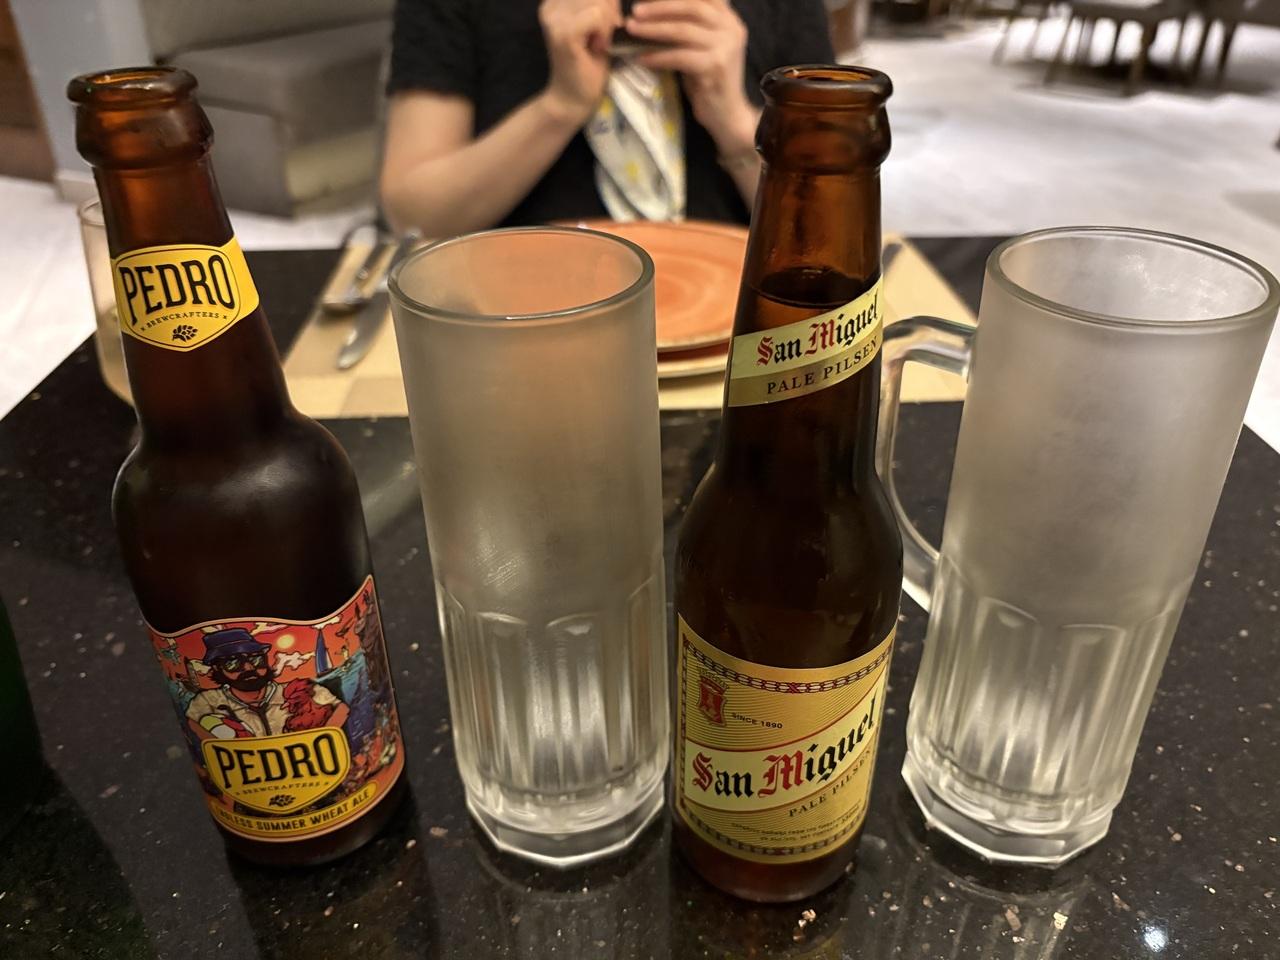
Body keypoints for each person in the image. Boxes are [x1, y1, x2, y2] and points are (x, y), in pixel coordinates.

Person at [381, 0, 834, 236]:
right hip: (514, 324)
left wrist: (734, 122)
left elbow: (827, 225)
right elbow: (416, 215)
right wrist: (559, 106)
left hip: (739, 330)